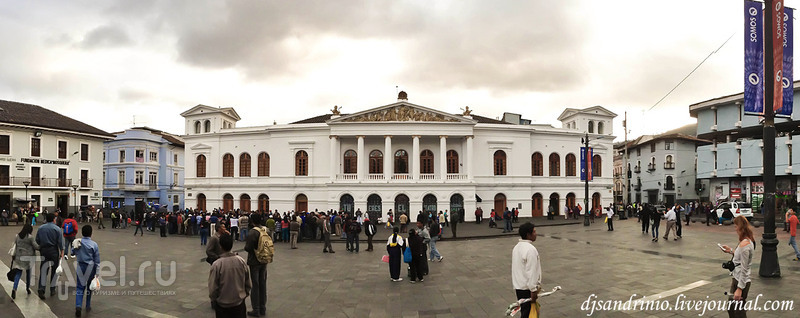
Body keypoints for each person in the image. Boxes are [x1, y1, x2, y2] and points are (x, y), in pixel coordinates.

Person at [209, 233, 251, 318]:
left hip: (222, 305)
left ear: (220, 246)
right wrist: (244, 294)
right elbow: (248, 282)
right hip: (239, 303)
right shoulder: (241, 261)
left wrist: (215, 299)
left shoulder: (217, 265)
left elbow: (213, 288)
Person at [720, 216, 755, 317]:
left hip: (741, 281)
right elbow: (740, 258)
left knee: (738, 312)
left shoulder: (745, 245)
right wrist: (730, 250)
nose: (735, 228)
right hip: (737, 278)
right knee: (731, 309)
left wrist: (739, 288)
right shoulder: (746, 241)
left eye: (736, 226)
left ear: (740, 227)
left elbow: (744, 268)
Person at [512, 222, 541, 318]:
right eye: (534, 232)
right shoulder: (530, 250)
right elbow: (532, 271)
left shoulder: (516, 247)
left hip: (519, 286)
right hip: (527, 288)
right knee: (528, 314)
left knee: (525, 312)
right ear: (528, 235)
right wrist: (533, 290)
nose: (536, 234)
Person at [244, 214, 269, 317]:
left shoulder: (253, 232)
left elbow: (248, 247)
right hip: (264, 260)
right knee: (263, 284)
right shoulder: (264, 230)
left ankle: (256, 309)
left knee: (255, 285)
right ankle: (263, 308)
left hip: (254, 261)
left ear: (252, 221)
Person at [35, 213, 64, 300]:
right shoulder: (57, 229)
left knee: (44, 270)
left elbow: (37, 240)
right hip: (53, 251)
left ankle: (41, 288)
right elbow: (61, 242)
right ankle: (52, 289)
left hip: (44, 250)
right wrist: (62, 252)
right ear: (54, 219)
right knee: (54, 270)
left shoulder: (41, 228)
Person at [73, 225, 100, 317]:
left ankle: (78, 306)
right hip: (91, 268)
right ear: (91, 233)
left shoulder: (78, 242)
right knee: (89, 287)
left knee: (80, 287)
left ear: (82, 233)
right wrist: (97, 272)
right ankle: (88, 305)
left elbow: (73, 252)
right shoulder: (94, 245)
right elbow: (97, 260)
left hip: (80, 266)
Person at [10, 224, 39, 300]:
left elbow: (14, 245)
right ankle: (27, 288)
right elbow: (36, 247)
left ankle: (14, 288)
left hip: (19, 257)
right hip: (28, 258)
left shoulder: (17, 236)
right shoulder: (30, 237)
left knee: (18, 274)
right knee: (28, 273)